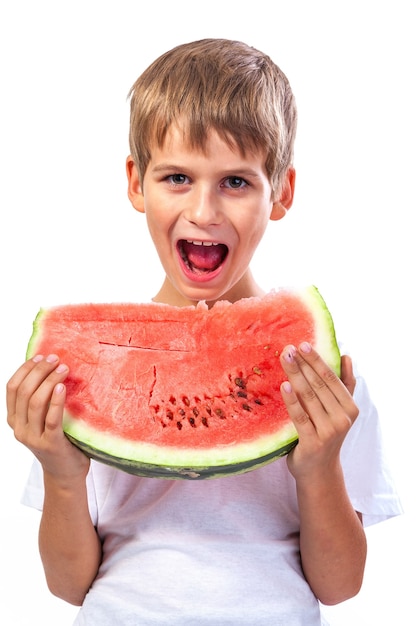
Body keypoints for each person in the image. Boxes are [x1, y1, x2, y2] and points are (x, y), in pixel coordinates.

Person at [6, 38, 402, 625]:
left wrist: (319, 468)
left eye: (236, 182)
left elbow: (341, 586)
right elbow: (68, 587)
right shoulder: (87, 374)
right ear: (136, 183)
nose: (205, 211)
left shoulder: (324, 382)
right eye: (177, 178)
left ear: (282, 192)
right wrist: (64, 476)